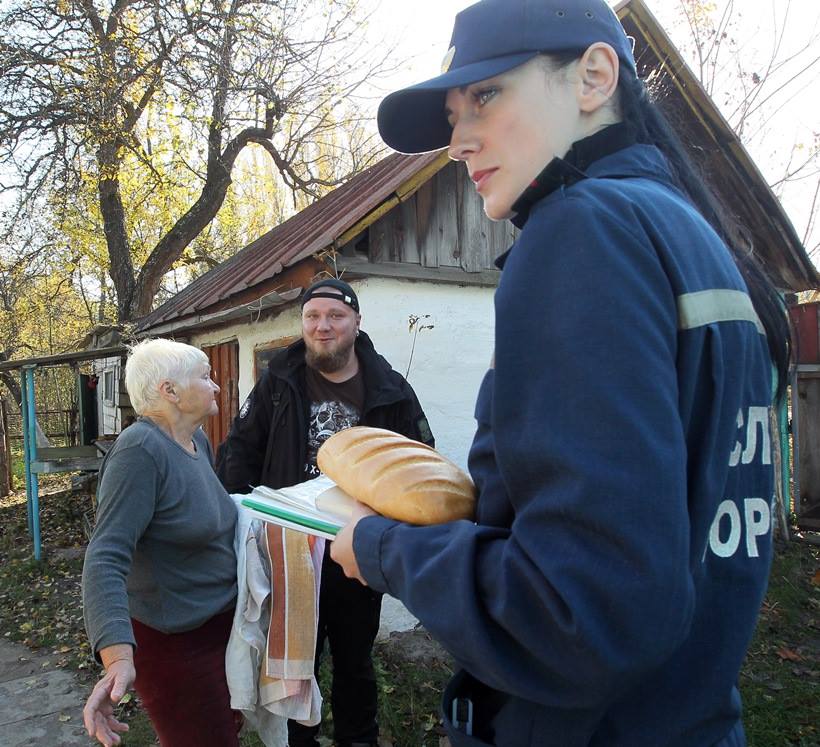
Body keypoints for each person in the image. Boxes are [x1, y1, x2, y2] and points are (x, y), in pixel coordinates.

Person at [330, 1, 792, 745]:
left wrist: (382, 547)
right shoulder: (690, 236)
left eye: (486, 96)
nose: (457, 141)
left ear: (593, 77)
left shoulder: (583, 231)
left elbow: (583, 614)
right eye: (453, 114)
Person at [215, 277, 434, 747]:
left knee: (355, 658)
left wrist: (395, 533)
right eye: (313, 316)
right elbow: (240, 449)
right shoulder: (279, 379)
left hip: (358, 550)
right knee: (298, 660)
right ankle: (300, 740)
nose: (322, 326)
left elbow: (420, 460)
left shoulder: (390, 389)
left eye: (335, 316)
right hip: (292, 552)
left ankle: (359, 738)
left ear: (356, 323)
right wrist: (242, 517)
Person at [82, 339, 240, 747]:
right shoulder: (139, 451)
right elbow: (104, 558)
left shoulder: (196, 441)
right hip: (176, 644)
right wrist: (117, 656)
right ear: (170, 391)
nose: (216, 387)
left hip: (220, 627)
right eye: (205, 377)